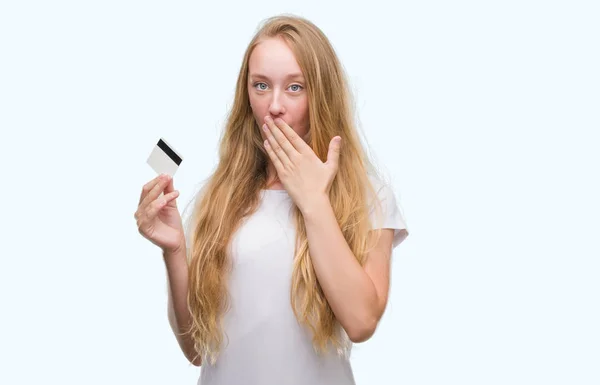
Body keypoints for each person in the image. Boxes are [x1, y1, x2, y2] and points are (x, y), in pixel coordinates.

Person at [134, 14, 409, 385]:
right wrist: (174, 250)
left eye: (295, 88)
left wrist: (313, 202)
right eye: (261, 86)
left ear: (321, 94)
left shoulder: (368, 194)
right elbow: (197, 349)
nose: (274, 105)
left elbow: (361, 322)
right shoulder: (222, 195)